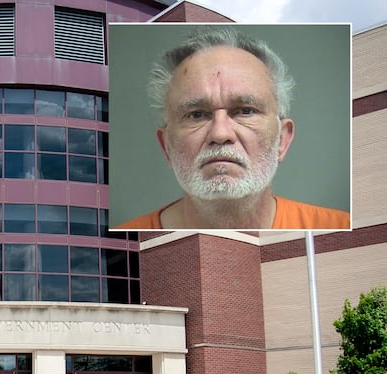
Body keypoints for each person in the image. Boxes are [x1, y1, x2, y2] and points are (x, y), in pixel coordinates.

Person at [115, 28, 350, 230]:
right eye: (196, 115)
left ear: (282, 139)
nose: (220, 134)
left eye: (245, 111)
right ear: (167, 146)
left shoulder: (336, 225)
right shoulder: (128, 233)